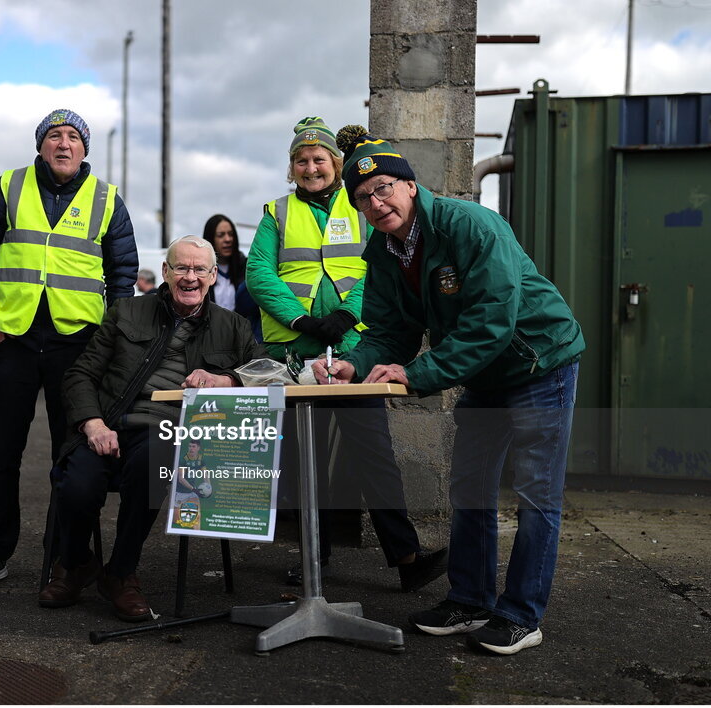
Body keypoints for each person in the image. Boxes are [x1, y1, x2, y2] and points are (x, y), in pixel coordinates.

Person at [315, 126, 585, 656]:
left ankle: (520, 615)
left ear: (410, 186)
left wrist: (414, 375)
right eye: (364, 197)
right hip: (485, 374)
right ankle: (470, 600)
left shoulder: (472, 225)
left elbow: (491, 322)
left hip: (539, 362)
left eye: (385, 187)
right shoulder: (385, 250)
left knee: (535, 496)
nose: (376, 201)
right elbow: (390, 331)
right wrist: (354, 364)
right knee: (469, 488)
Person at [246, 117, 445, 591]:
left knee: (373, 455)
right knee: (300, 462)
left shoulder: (362, 201)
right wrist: (302, 320)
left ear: (336, 163)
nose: (310, 167)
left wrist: (345, 317)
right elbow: (259, 273)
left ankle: (407, 556)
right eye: (301, 160)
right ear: (291, 168)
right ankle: (314, 557)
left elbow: (378, 270)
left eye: (319, 158)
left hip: (355, 349)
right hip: (297, 353)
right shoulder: (276, 211)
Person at [40, 235, 262, 621]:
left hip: (167, 436)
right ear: (165, 271)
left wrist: (227, 381)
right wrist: (92, 424)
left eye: (199, 270)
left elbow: (269, 374)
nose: (189, 276)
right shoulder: (126, 311)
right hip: (107, 426)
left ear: (212, 277)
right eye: (181, 267)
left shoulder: (234, 327)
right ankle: (76, 563)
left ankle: (121, 573)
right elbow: (80, 374)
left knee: (153, 465)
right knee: (76, 487)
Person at [0, 108, 138, 588]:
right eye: (54, 136)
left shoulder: (106, 199)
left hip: (76, 344)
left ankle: (64, 556)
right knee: (1, 452)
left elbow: (123, 274)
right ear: (40, 145)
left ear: (85, 149)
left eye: (73, 138)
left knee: (71, 454)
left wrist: (112, 339)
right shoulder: (8, 187)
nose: (64, 144)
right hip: (13, 338)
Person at [202, 213, 261, 341]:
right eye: (221, 235)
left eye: (231, 234)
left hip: (244, 339)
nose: (228, 239)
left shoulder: (249, 269)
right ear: (210, 239)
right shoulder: (201, 273)